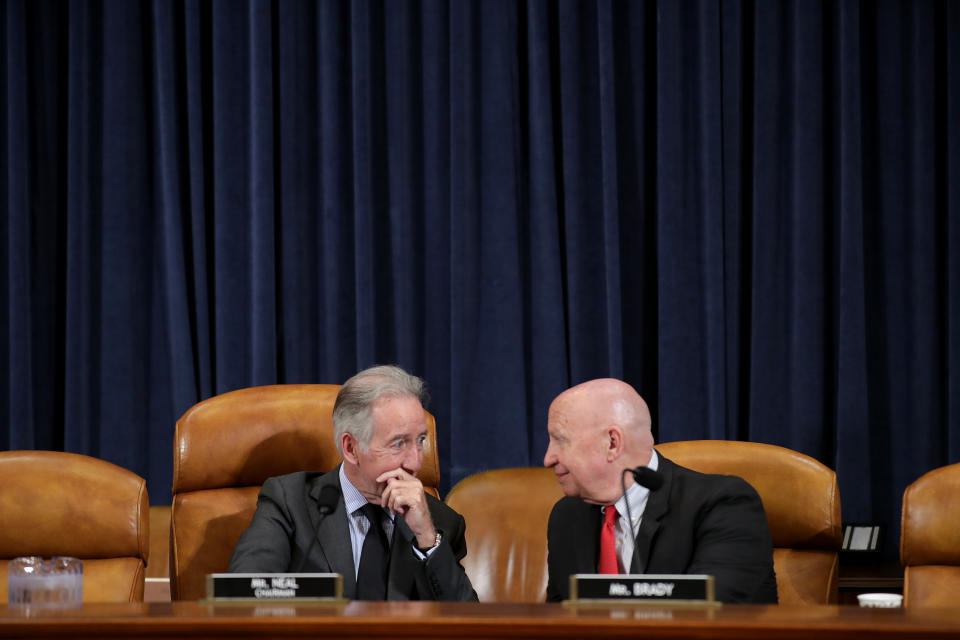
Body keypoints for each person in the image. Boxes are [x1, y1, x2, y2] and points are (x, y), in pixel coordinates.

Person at [229, 365, 478, 601]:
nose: (414, 463)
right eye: (398, 444)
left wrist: (425, 537)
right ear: (351, 448)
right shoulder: (290, 502)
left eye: (420, 441)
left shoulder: (439, 523)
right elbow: (245, 591)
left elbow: (469, 624)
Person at [543, 378, 778, 603]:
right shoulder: (567, 516)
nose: (548, 458)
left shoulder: (724, 506)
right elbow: (556, 623)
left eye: (560, 440)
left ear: (612, 443)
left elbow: (709, 615)